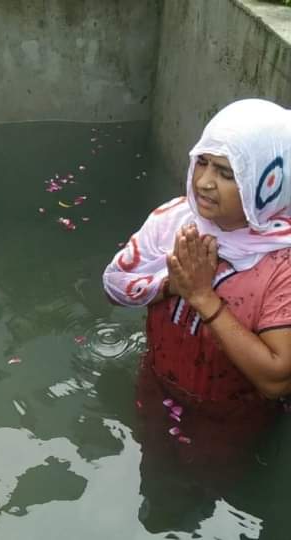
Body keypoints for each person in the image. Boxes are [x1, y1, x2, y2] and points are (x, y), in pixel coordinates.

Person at [102, 99, 291, 529]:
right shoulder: (174, 221)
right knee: (153, 463)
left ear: (269, 182)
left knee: (208, 482)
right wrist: (170, 285)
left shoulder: (283, 262)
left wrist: (203, 298)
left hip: (230, 418)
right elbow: (113, 284)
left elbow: (278, 377)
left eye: (227, 174)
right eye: (202, 162)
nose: (204, 182)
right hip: (156, 383)